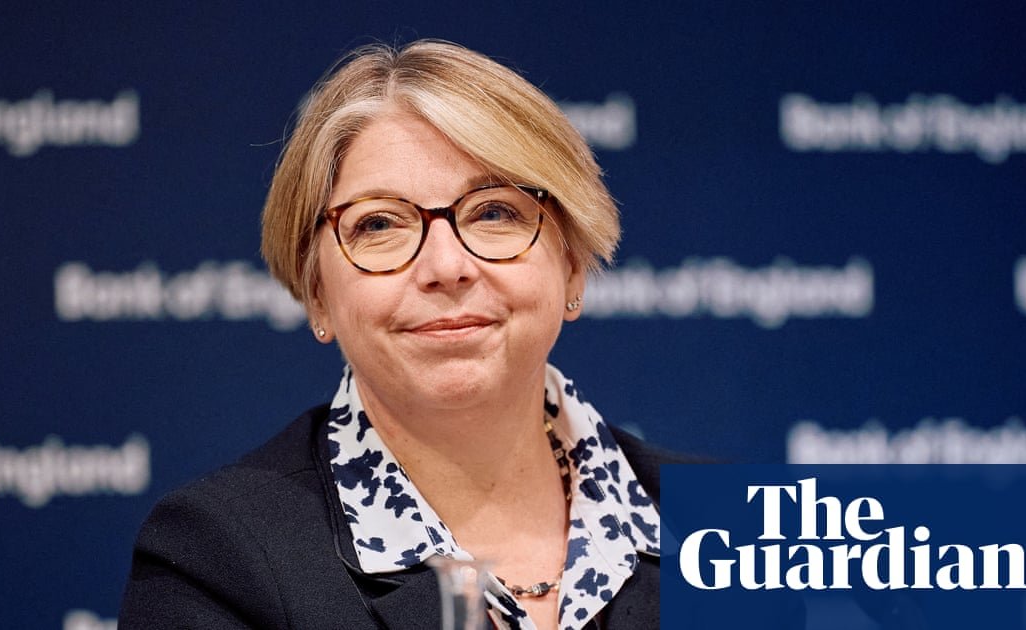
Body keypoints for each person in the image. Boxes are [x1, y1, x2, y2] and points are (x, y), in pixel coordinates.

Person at [119, 39, 690, 630]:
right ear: (317, 292)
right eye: (379, 224)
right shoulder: (216, 560)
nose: (446, 266)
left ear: (571, 266)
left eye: (494, 212)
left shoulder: (722, 525)